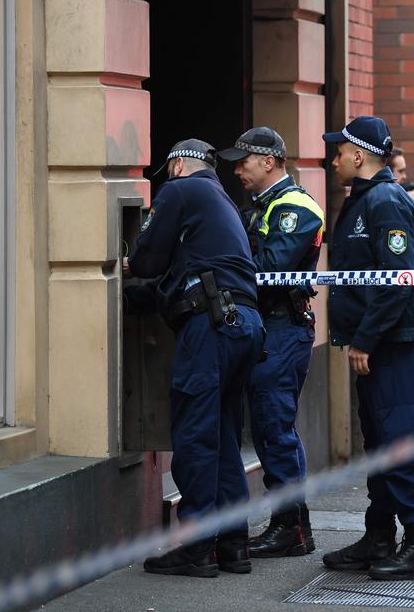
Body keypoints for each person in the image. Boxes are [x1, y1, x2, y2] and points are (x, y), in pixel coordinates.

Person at [131, 139, 265, 578]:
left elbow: (146, 259)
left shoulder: (180, 191)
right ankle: (233, 544)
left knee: (195, 436)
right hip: (244, 324)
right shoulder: (221, 201)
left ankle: (196, 547)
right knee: (225, 437)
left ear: (176, 167)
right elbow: (189, 270)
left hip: (209, 327)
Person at [319, 116, 414, 581]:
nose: (332, 161)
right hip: (379, 344)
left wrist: (365, 340)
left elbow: (395, 283)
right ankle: (378, 536)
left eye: (337, 153)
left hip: (393, 345)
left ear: (358, 155)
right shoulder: (366, 199)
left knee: (401, 442)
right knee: (380, 444)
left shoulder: (386, 202)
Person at [218, 127, 325, 558]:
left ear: (269, 161)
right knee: (267, 428)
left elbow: (267, 267)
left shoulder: (294, 207)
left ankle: (290, 529)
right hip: (269, 330)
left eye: (243, 160)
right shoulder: (260, 206)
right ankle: (293, 525)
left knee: (274, 427)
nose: (237, 169)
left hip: (283, 330)